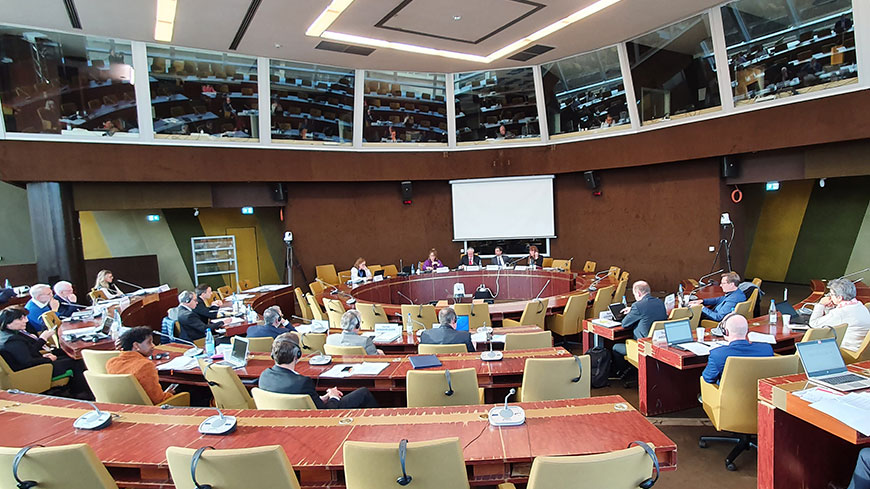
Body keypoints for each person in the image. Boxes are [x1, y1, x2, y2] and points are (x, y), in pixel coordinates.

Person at [258, 332, 379, 409]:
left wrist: (324, 397)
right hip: (320, 421)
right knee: (363, 393)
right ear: (298, 354)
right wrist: (333, 397)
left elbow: (298, 402)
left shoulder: (264, 376)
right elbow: (325, 412)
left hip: (287, 420)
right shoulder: (302, 383)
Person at [0, 306, 88, 396]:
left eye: (25, 317)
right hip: (33, 372)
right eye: (20, 319)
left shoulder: (6, 334)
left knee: (66, 354)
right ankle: (80, 393)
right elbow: (27, 362)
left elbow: (26, 353)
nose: (26, 320)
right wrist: (48, 359)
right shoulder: (12, 341)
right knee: (75, 361)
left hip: (32, 364)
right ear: (8, 323)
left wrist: (44, 356)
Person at [106, 326, 177, 405]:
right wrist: (169, 394)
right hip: (152, 410)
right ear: (136, 345)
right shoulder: (145, 366)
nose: (153, 345)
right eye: (149, 342)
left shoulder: (111, 363)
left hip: (122, 407)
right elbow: (158, 400)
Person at [611, 281, 668, 375]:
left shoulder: (637, 306)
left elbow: (625, 324)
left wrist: (632, 311)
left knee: (615, 347)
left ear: (638, 293)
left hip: (641, 347)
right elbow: (647, 312)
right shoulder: (660, 302)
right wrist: (632, 310)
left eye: (634, 295)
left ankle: (623, 372)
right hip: (657, 344)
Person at [702, 313, 773, 384]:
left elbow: (708, 378)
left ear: (725, 332)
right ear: (747, 331)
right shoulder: (767, 349)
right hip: (760, 393)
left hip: (728, 394)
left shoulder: (717, 354)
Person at [809, 278, 870, 353]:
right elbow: (833, 320)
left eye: (831, 294)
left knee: (812, 346)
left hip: (847, 350)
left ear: (839, 297)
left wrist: (821, 305)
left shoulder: (841, 312)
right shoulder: (860, 305)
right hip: (862, 350)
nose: (830, 297)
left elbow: (814, 323)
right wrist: (829, 308)